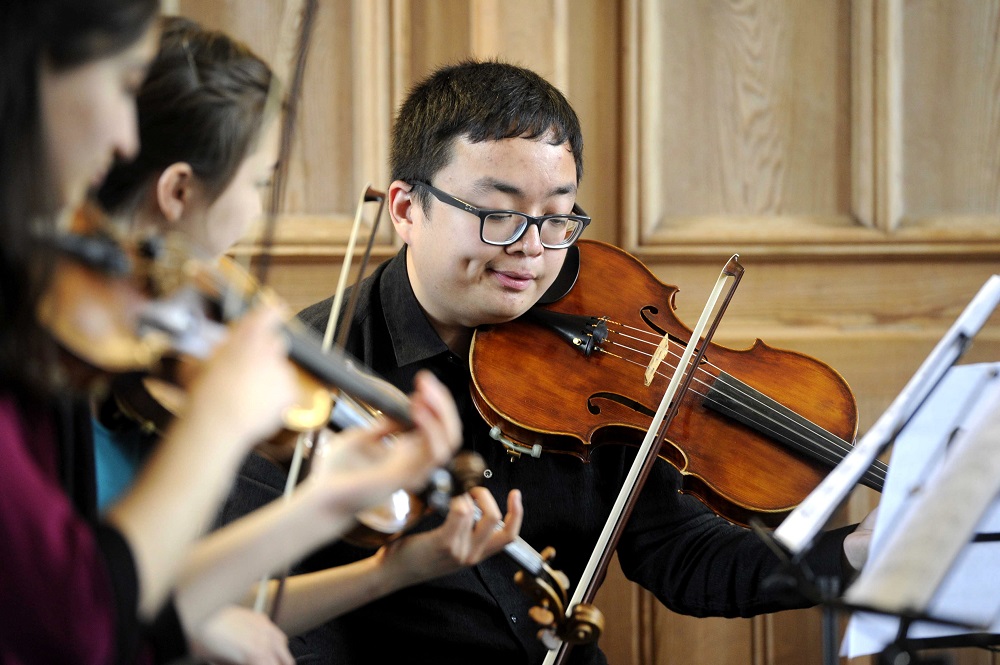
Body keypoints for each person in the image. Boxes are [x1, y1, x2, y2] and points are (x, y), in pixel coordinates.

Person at [220, 59, 875, 664]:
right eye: (500, 213)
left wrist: (854, 552)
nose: (532, 248)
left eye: (558, 216)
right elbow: (262, 608)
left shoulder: (605, 352)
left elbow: (683, 554)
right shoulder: (302, 372)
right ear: (406, 208)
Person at [0, 3, 462, 663]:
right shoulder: (49, 339)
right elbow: (82, 621)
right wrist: (220, 419)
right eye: (122, 83)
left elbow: (134, 605)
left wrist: (332, 502)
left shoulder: (103, 336)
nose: (123, 138)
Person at [92, 16, 523, 658]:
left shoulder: (148, 359)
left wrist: (386, 562)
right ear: (179, 190)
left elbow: (168, 601)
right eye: (260, 183)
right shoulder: (73, 379)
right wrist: (222, 423)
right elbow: (91, 615)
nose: (259, 209)